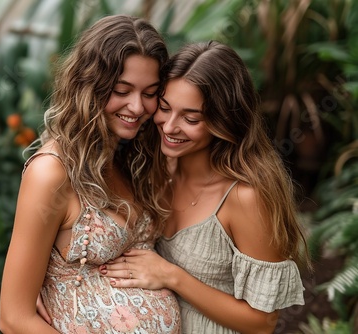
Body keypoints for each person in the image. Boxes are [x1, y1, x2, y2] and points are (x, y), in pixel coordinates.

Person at [100, 41, 311, 334]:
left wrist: (172, 277)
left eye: (191, 118)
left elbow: (262, 322)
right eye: (164, 108)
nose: (170, 126)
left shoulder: (245, 197)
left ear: (224, 120)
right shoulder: (154, 168)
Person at [0, 14, 181, 333]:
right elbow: (14, 319)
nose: (137, 108)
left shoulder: (131, 156)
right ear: (89, 85)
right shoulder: (52, 173)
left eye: (150, 93)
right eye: (121, 90)